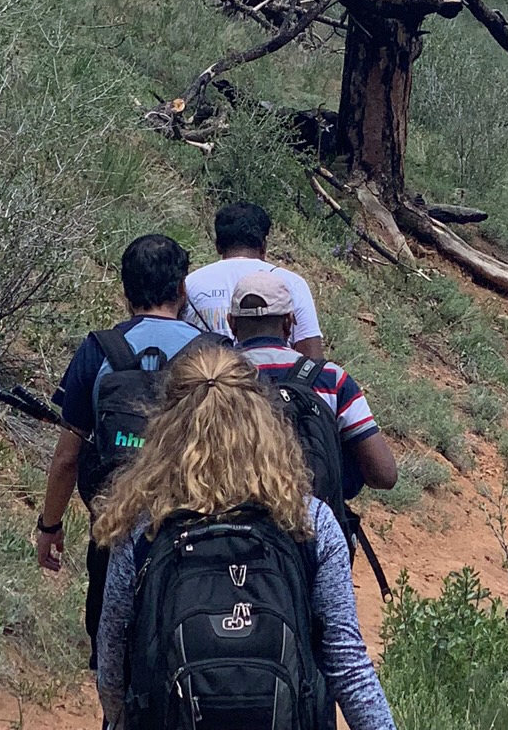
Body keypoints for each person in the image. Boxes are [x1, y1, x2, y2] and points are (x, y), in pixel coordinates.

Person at [93, 340, 397, 730]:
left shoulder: (143, 525)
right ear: (262, 422)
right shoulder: (308, 521)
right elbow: (347, 665)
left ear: (166, 425)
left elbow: (112, 663)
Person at [35, 233, 211, 662]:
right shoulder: (214, 355)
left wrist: (49, 525)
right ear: (182, 288)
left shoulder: (98, 350)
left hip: (114, 527)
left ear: (125, 291)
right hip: (197, 531)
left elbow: (67, 457)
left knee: (111, 657)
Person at [227, 269, 397, 499]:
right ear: (289, 322)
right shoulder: (331, 379)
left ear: (232, 323)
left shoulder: (214, 377)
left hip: (233, 512)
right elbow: (384, 475)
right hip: (312, 514)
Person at [186, 200, 325, 358]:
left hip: (208, 372)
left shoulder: (190, 283)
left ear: (218, 245)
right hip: (276, 372)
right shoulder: (291, 283)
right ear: (264, 245)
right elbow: (312, 355)